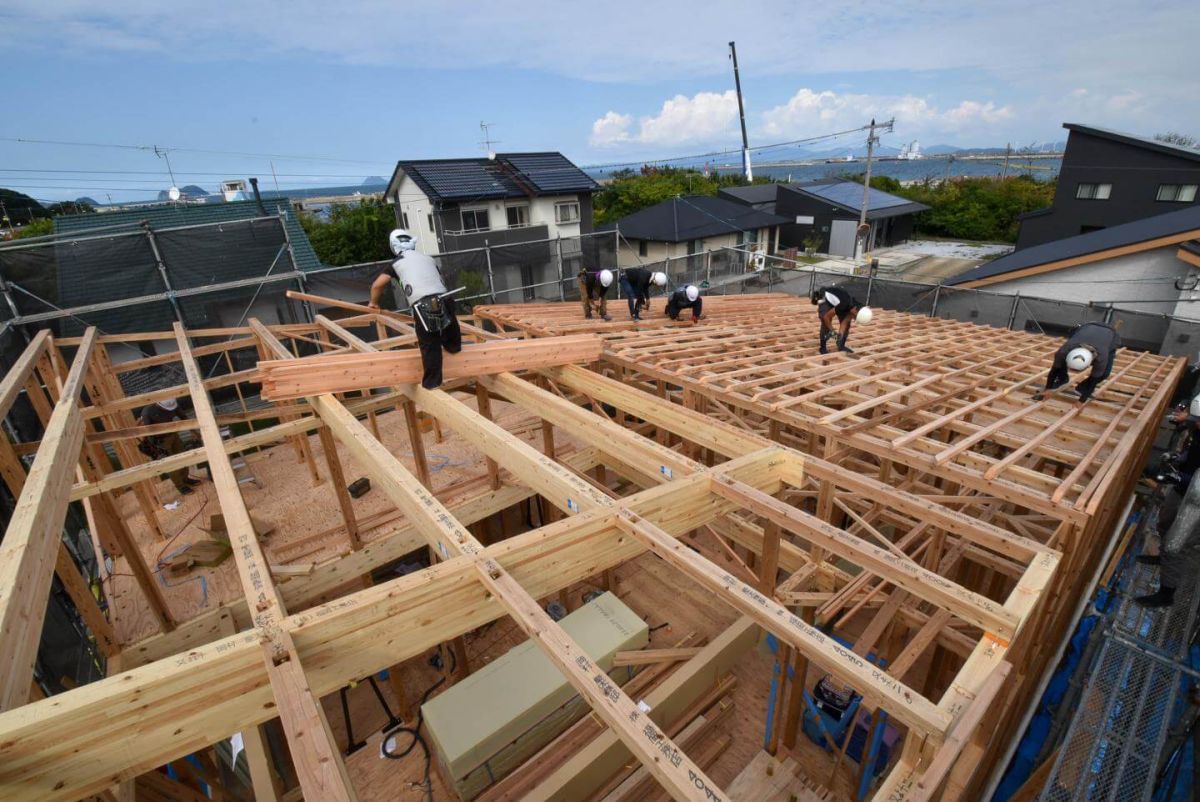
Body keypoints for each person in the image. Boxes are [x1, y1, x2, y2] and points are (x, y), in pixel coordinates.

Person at [369, 228, 462, 390]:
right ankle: (454, 347)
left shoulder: (396, 263)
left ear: (393, 246)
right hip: (446, 297)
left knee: (429, 342)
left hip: (424, 303)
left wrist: (373, 303)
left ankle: (432, 383)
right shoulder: (428, 258)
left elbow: (377, 286)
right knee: (450, 325)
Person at [1135, 398, 1200, 608]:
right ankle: (1162, 559)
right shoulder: (1198, 427)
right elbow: (1193, 451)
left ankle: (1166, 593)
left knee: (1177, 545)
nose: (1195, 423)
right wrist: (1178, 458)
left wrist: (1180, 478)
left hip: (1197, 502)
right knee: (1164, 523)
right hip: (1183, 490)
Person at [1032, 322, 1120, 404]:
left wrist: (1081, 401)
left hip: (1111, 335)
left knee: (1104, 374)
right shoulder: (1063, 351)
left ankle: (1082, 388)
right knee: (1060, 363)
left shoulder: (1102, 357)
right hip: (1087, 326)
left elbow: (1094, 379)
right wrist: (1048, 389)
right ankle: (1063, 379)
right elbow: (1054, 370)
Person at [137, 398, 199, 495]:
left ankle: (185, 478)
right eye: (167, 409)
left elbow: (183, 417)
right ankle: (181, 486)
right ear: (159, 404)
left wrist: (193, 431)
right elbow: (148, 432)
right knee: (171, 464)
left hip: (173, 435)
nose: (169, 411)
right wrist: (157, 451)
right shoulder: (147, 412)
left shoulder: (172, 403)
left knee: (183, 457)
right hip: (160, 441)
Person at [812, 286, 871, 354]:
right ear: (855, 310)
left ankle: (841, 346)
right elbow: (826, 317)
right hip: (826, 297)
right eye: (855, 317)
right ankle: (822, 348)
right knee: (825, 322)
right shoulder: (844, 305)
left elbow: (844, 322)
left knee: (847, 325)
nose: (854, 318)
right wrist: (832, 331)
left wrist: (840, 336)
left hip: (839, 301)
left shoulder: (855, 307)